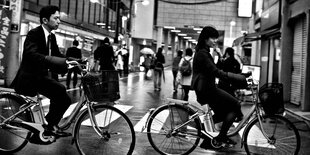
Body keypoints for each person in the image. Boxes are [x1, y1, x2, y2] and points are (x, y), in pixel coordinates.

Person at [11, 5, 75, 137]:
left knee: (63, 97)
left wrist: (76, 62)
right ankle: (50, 126)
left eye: (59, 18)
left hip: (41, 77)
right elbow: (31, 54)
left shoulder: (52, 37)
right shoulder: (34, 34)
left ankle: (50, 125)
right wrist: (48, 59)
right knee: (59, 91)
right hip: (29, 77)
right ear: (45, 20)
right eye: (56, 18)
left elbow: (58, 56)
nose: (59, 21)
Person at [191, 26, 248, 148]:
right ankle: (221, 137)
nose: (215, 40)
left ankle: (206, 132)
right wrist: (236, 77)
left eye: (216, 38)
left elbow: (215, 69)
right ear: (206, 38)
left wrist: (238, 76)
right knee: (235, 105)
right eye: (213, 38)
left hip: (206, 88)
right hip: (207, 90)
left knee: (224, 113)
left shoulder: (203, 51)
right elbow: (215, 71)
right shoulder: (202, 54)